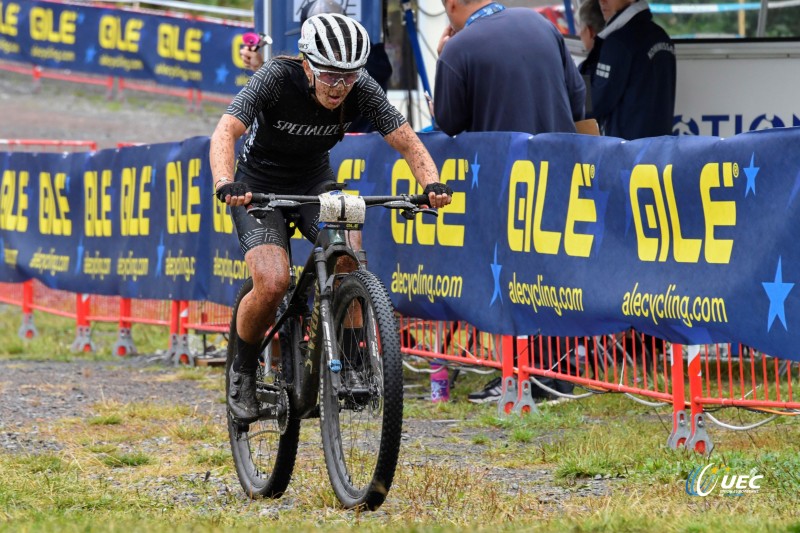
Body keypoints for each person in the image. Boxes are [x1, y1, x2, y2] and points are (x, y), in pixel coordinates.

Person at [210, 13, 453, 422]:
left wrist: (432, 184)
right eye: (328, 75)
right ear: (306, 64)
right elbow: (225, 131)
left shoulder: (362, 88)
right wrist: (225, 181)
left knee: (346, 255)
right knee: (272, 282)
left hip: (313, 182)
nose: (339, 87)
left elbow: (408, 142)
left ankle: (355, 361)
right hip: (258, 184)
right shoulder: (276, 76)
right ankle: (243, 370)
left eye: (348, 76)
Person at [431, 0, 586, 136]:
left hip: (503, 164)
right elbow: (577, 94)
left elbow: (448, 126)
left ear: (451, 4)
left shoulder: (456, 49)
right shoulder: (542, 23)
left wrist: (444, 61)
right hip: (560, 161)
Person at [239, 0, 393, 133]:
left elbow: (297, 83)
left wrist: (262, 67)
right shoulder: (371, 58)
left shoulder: (367, 61)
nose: (340, 85)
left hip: (351, 147)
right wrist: (262, 67)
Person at [585, 0, 676, 139]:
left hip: (626, 152)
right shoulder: (662, 36)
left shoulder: (618, 43)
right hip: (660, 149)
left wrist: (578, 77)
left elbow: (593, 104)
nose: (602, 1)